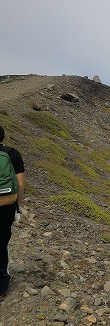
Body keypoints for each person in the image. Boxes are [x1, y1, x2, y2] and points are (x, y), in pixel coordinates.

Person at [0, 126, 25, 297]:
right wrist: (18, 206)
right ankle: (2, 285)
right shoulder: (12, 153)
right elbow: (21, 184)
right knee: (2, 242)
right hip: (6, 204)